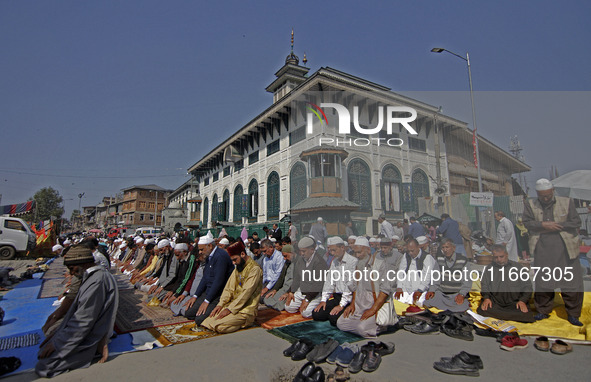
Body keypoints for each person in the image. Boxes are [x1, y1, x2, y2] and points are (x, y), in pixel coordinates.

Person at [36, 245, 118, 377]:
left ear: (84, 263)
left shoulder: (98, 280)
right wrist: (59, 332)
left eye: (72, 269)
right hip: (84, 328)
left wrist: (59, 342)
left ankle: (95, 348)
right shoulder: (91, 276)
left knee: (44, 366)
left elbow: (84, 319)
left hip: (91, 334)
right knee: (46, 344)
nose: (71, 273)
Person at [523, 178, 584, 326]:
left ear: (553, 191)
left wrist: (556, 226)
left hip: (566, 250)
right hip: (543, 250)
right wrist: (542, 224)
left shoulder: (567, 202)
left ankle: (573, 314)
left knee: (571, 283)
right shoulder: (531, 204)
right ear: (537, 194)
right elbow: (527, 222)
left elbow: (576, 222)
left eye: (548, 195)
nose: (545, 198)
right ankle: (543, 311)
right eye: (542, 196)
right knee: (543, 282)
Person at [337, 237, 394, 338]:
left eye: (359, 252)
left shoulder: (380, 264)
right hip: (359, 308)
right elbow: (355, 288)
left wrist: (373, 310)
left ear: (368, 250)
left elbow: (385, 291)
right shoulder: (358, 265)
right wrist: (352, 304)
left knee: (361, 329)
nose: (357, 256)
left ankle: (380, 326)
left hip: (375, 307)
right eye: (355, 253)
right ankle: (365, 324)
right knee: (340, 323)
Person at [201, 241, 263, 333]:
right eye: (232, 260)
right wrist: (220, 304)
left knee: (219, 326)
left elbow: (246, 293)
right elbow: (228, 288)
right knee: (207, 321)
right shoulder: (238, 267)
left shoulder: (255, 269)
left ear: (242, 254)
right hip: (232, 305)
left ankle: (247, 322)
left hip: (246, 310)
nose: (234, 263)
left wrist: (229, 310)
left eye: (235, 259)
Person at [182, 232, 234, 325]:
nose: (200, 252)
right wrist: (195, 296)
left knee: (199, 319)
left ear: (210, 246)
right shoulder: (209, 257)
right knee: (188, 313)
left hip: (219, 295)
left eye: (201, 249)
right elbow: (205, 278)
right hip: (208, 292)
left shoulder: (220, 256)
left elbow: (219, 281)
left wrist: (207, 301)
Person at [476, 244, 535, 323]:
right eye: (496, 257)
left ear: (506, 255)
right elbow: (485, 285)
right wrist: (486, 298)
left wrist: (522, 301)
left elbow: (527, 287)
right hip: (496, 303)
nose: (499, 259)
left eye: (501, 256)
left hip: (514, 303)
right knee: (483, 310)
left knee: (525, 314)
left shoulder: (518, 267)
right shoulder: (489, 268)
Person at [313, 237, 358, 326]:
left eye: (334, 250)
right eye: (331, 251)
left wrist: (341, 305)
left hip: (349, 299)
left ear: (342, 248)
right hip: (338, 296)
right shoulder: (335, 262)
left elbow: (349, 285)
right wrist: (323, 300)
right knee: (316, 314)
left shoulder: (352, 261)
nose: (332, 253)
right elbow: (329, 282)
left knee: (333, 319)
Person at [284, 237, 328, 317]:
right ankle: (303, 303)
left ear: (312, 249)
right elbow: (297, 278)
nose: (301, 253)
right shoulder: (301, 260)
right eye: (300, 251)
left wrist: (307, 299)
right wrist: (291, 292)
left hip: (316, 293)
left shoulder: (319, 262)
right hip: (302, 290)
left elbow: (318, 284)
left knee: (306, 313)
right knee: (288, 307)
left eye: (303, 251)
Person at [424, 239, 471, 312]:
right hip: (442, 294)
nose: (445, 250)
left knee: (463, 307)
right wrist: (432, 290)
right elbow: (435, 278)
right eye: (443, 247)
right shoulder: (439, 259)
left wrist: (462, 294)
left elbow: (467, 280)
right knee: (427, 302)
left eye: (447, 247)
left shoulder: (463, 260)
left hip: (456, 294)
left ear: (453, 248)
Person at [394, 239, 437, 306]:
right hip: (406, 289)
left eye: (412, 251)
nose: (410, 253)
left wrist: (420, 290)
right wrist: (399, 287)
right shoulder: (406, 256)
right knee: (397, 302)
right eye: (409, 251)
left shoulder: (427, 257)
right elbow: (401, 271)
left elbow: (427, 276)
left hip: (421, 290)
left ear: (418, 247)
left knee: (418, 305)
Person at [263, 245, 297, 311]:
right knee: (267, 299)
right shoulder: (287, 262)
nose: (284, 258)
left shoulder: (299, 263)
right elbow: (281, 277)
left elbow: (298, 282)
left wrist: (288, 292)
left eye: (285, 256)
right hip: (284, 288)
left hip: (292, 290)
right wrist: (275, 289)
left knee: (280, 304)